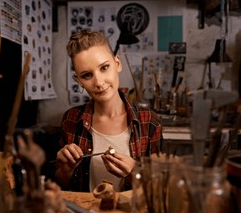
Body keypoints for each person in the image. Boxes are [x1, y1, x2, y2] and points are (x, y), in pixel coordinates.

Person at [54, 30, 163, 192]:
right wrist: (65, 170)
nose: (99, 82)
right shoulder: (71, 119)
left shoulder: (149, 122)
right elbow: (62, 184)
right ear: (79, 81)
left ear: (117, 64)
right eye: (87, 75)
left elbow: (161, 186)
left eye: (104, 67)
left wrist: (135, 172)